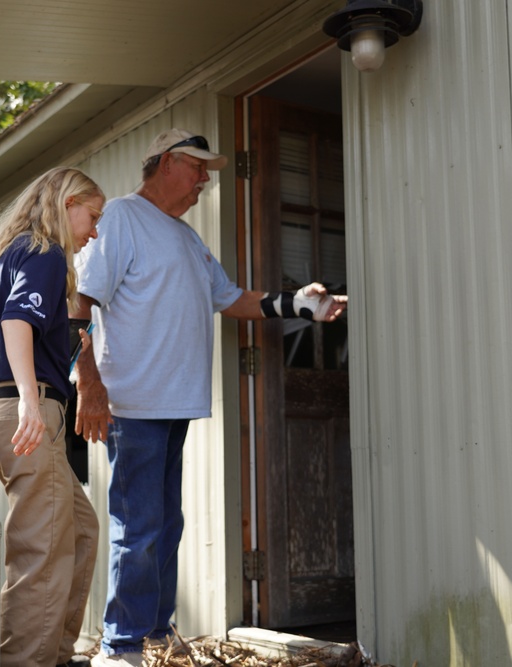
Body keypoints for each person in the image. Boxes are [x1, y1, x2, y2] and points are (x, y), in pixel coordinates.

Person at [73, 129, 347, 667]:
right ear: (168, 162)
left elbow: (232, 299)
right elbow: (81, 301)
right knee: (140, 526)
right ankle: (120, 646)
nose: (205, 179)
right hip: (132, 405)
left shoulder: (186, 238)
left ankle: (153, 638)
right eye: (198, 168)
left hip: (173, 404)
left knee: (165, 524)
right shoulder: (124, 219)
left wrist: (301, 304)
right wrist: (89, 381)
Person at [0, 166, 104, 667]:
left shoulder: (14, 254)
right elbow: (17, 319)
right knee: (42, 551)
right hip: (25, 410)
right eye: (92, 216)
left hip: (10, 409)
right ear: (68, 203)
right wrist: (32, 401)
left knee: (79, 530)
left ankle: (53, 654)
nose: (93, 231)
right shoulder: (44, 251)